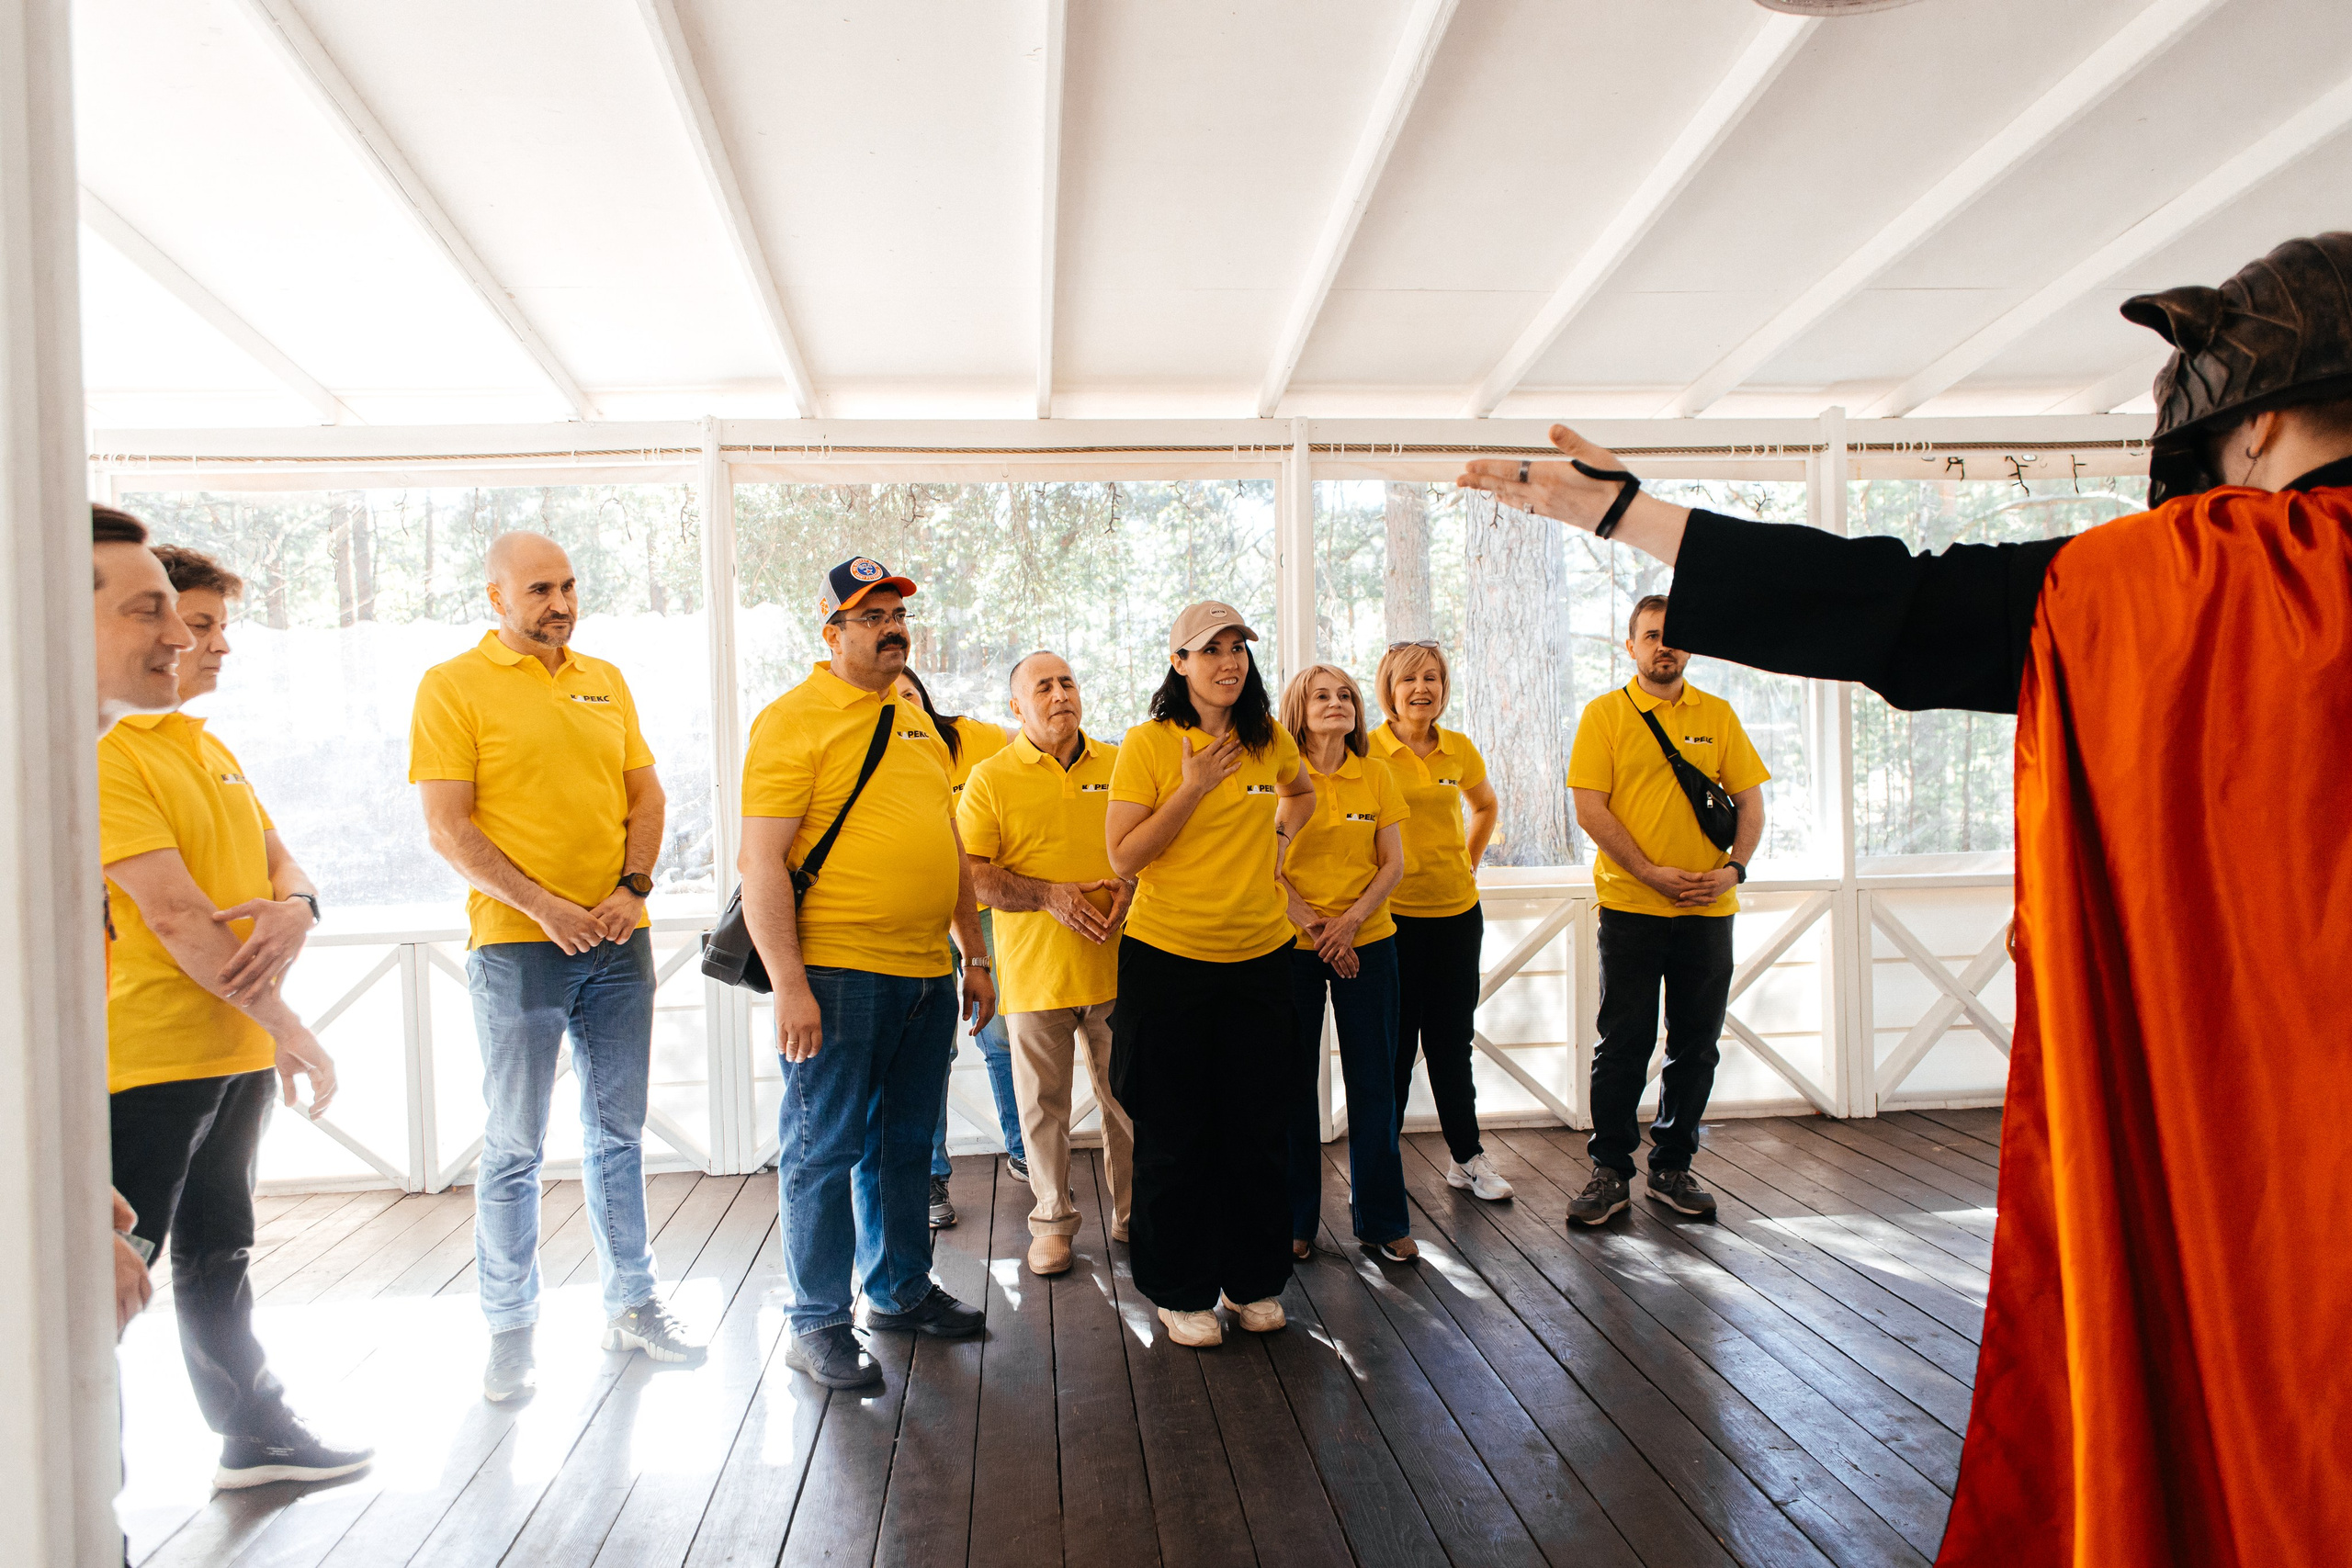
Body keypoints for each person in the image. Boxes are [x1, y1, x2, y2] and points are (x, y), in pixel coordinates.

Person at [1457, 231, 2352, 1568]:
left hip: (2263, 1156)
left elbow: (1893, 606)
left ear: (2257, 420)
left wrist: (1624, 511)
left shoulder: (2161, 586)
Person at [99, 541, 370, 1489]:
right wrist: (293, 1027)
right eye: (191, 623)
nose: (206, 644)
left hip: (231, 1047)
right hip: (144, 1061)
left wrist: (297, 908)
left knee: (222, 1255)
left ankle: (253, 1433)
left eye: (211, 626)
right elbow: (175, 918)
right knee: (110, 1279)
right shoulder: (102, 756)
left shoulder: (206, 746)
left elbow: (282, 865)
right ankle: (86, 1501)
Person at [411, 530, 697, 1404]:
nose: (560, 602)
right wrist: (546, 907)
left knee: (617, 1135)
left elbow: (645, 794)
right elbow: (449, 826)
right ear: (494, 596)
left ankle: (633, 1304)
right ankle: (511, 1331)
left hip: (618, 938)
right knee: (514, 1146)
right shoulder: (451, 686)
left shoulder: (604, 678)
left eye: (568, 585)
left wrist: (630, 886)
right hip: (517, 946)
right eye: (539, 588)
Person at [738, 558, 994, 1392]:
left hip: (926, 971)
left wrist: (974, 950)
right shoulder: (793, 720)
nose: (891, 626)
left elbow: (948, 845)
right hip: (838, 974)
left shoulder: (914, 719)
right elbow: (761, 861)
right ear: (832, 631)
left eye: (896, 613)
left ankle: (901, 1291)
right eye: (870, 614)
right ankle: (816, 1321)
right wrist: (790, 983)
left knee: (903, 1148)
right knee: (822, 1148)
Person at [1104, 603, 1314, 1348]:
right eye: (1212, 650)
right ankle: (1180, 1289)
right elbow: (1123, 857)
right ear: (1179, 663)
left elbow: (1301, 793)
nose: (1230, 661)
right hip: (1170, 963)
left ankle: (1252, 1281)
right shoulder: (1149, 745)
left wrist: (1280, 848)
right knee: (1175, 1133)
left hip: (1259, 959)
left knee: (1258, 1129)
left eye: (1239, 648)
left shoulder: (1270, 740)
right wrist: (1192, 785)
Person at [1562, 596, 1768, 1224]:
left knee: (1696, 1043)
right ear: (1631, 647)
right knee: (1623, 1040)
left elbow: (1751, 803)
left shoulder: (1719, 714)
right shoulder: (1606, 715)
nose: (1663, 647)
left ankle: (1673, 1165)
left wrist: (1735, 868)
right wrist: (1649, 873)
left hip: (1709, 910)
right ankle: (1610, 1171)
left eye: (1673, 637)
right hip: (1631, 906)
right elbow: (1590, 807)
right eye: (1651, 636)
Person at [957, 651, 1134, 1276]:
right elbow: (972, 875)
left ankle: (1133, 1215)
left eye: (1068, 682)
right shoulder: (990, 777)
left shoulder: (1120, 764)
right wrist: (1048, 894)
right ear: (1017, 706)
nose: (1060, 694)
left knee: (1130, 1102)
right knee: (1042, 1108)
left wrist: (1131, 882)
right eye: (1044, 686)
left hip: (1120, 968)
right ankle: (1052, 1221)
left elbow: (1153, 843)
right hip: (1034, 974)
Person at [1276, 665, 1415, 1263]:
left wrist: (1350, 924)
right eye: (1323, 696)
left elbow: (1393, 864)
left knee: (1375, 1084)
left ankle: (1382, 1221)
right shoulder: (1279, 778)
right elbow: (1266, 868)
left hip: (1369, 943)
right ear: (1298, 710)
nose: (1337, 704)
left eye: (1346, 696)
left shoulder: (1376, 773)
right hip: (1293, 947)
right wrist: (1316, 925)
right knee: (1290, 1088)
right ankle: (1294, 1221)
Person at [1366, 642, 1508, 1200]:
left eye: (1432, 678)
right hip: (1392, 920)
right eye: (1409, 679)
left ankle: (1466, 1157)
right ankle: (1381, 1169)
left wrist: (1468, 861)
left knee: (1451, 1042)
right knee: (1394, 1049)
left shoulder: (1459, 750)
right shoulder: (1368, 751)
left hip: (1455, 915)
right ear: (1390, 690)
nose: (1422, 688)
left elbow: (1486, 806)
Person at [892, 667, 1023, 1228]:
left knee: (1002, 1037)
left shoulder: (973, 738)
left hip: (985, 917)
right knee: (931, 1052)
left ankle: (1027, 1153)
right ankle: (931, 1179)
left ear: (924, 696)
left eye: (909, 692)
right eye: (890, 697)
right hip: (919, 918)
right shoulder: (877, 755)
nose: (903, 704)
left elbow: (1033, 746)